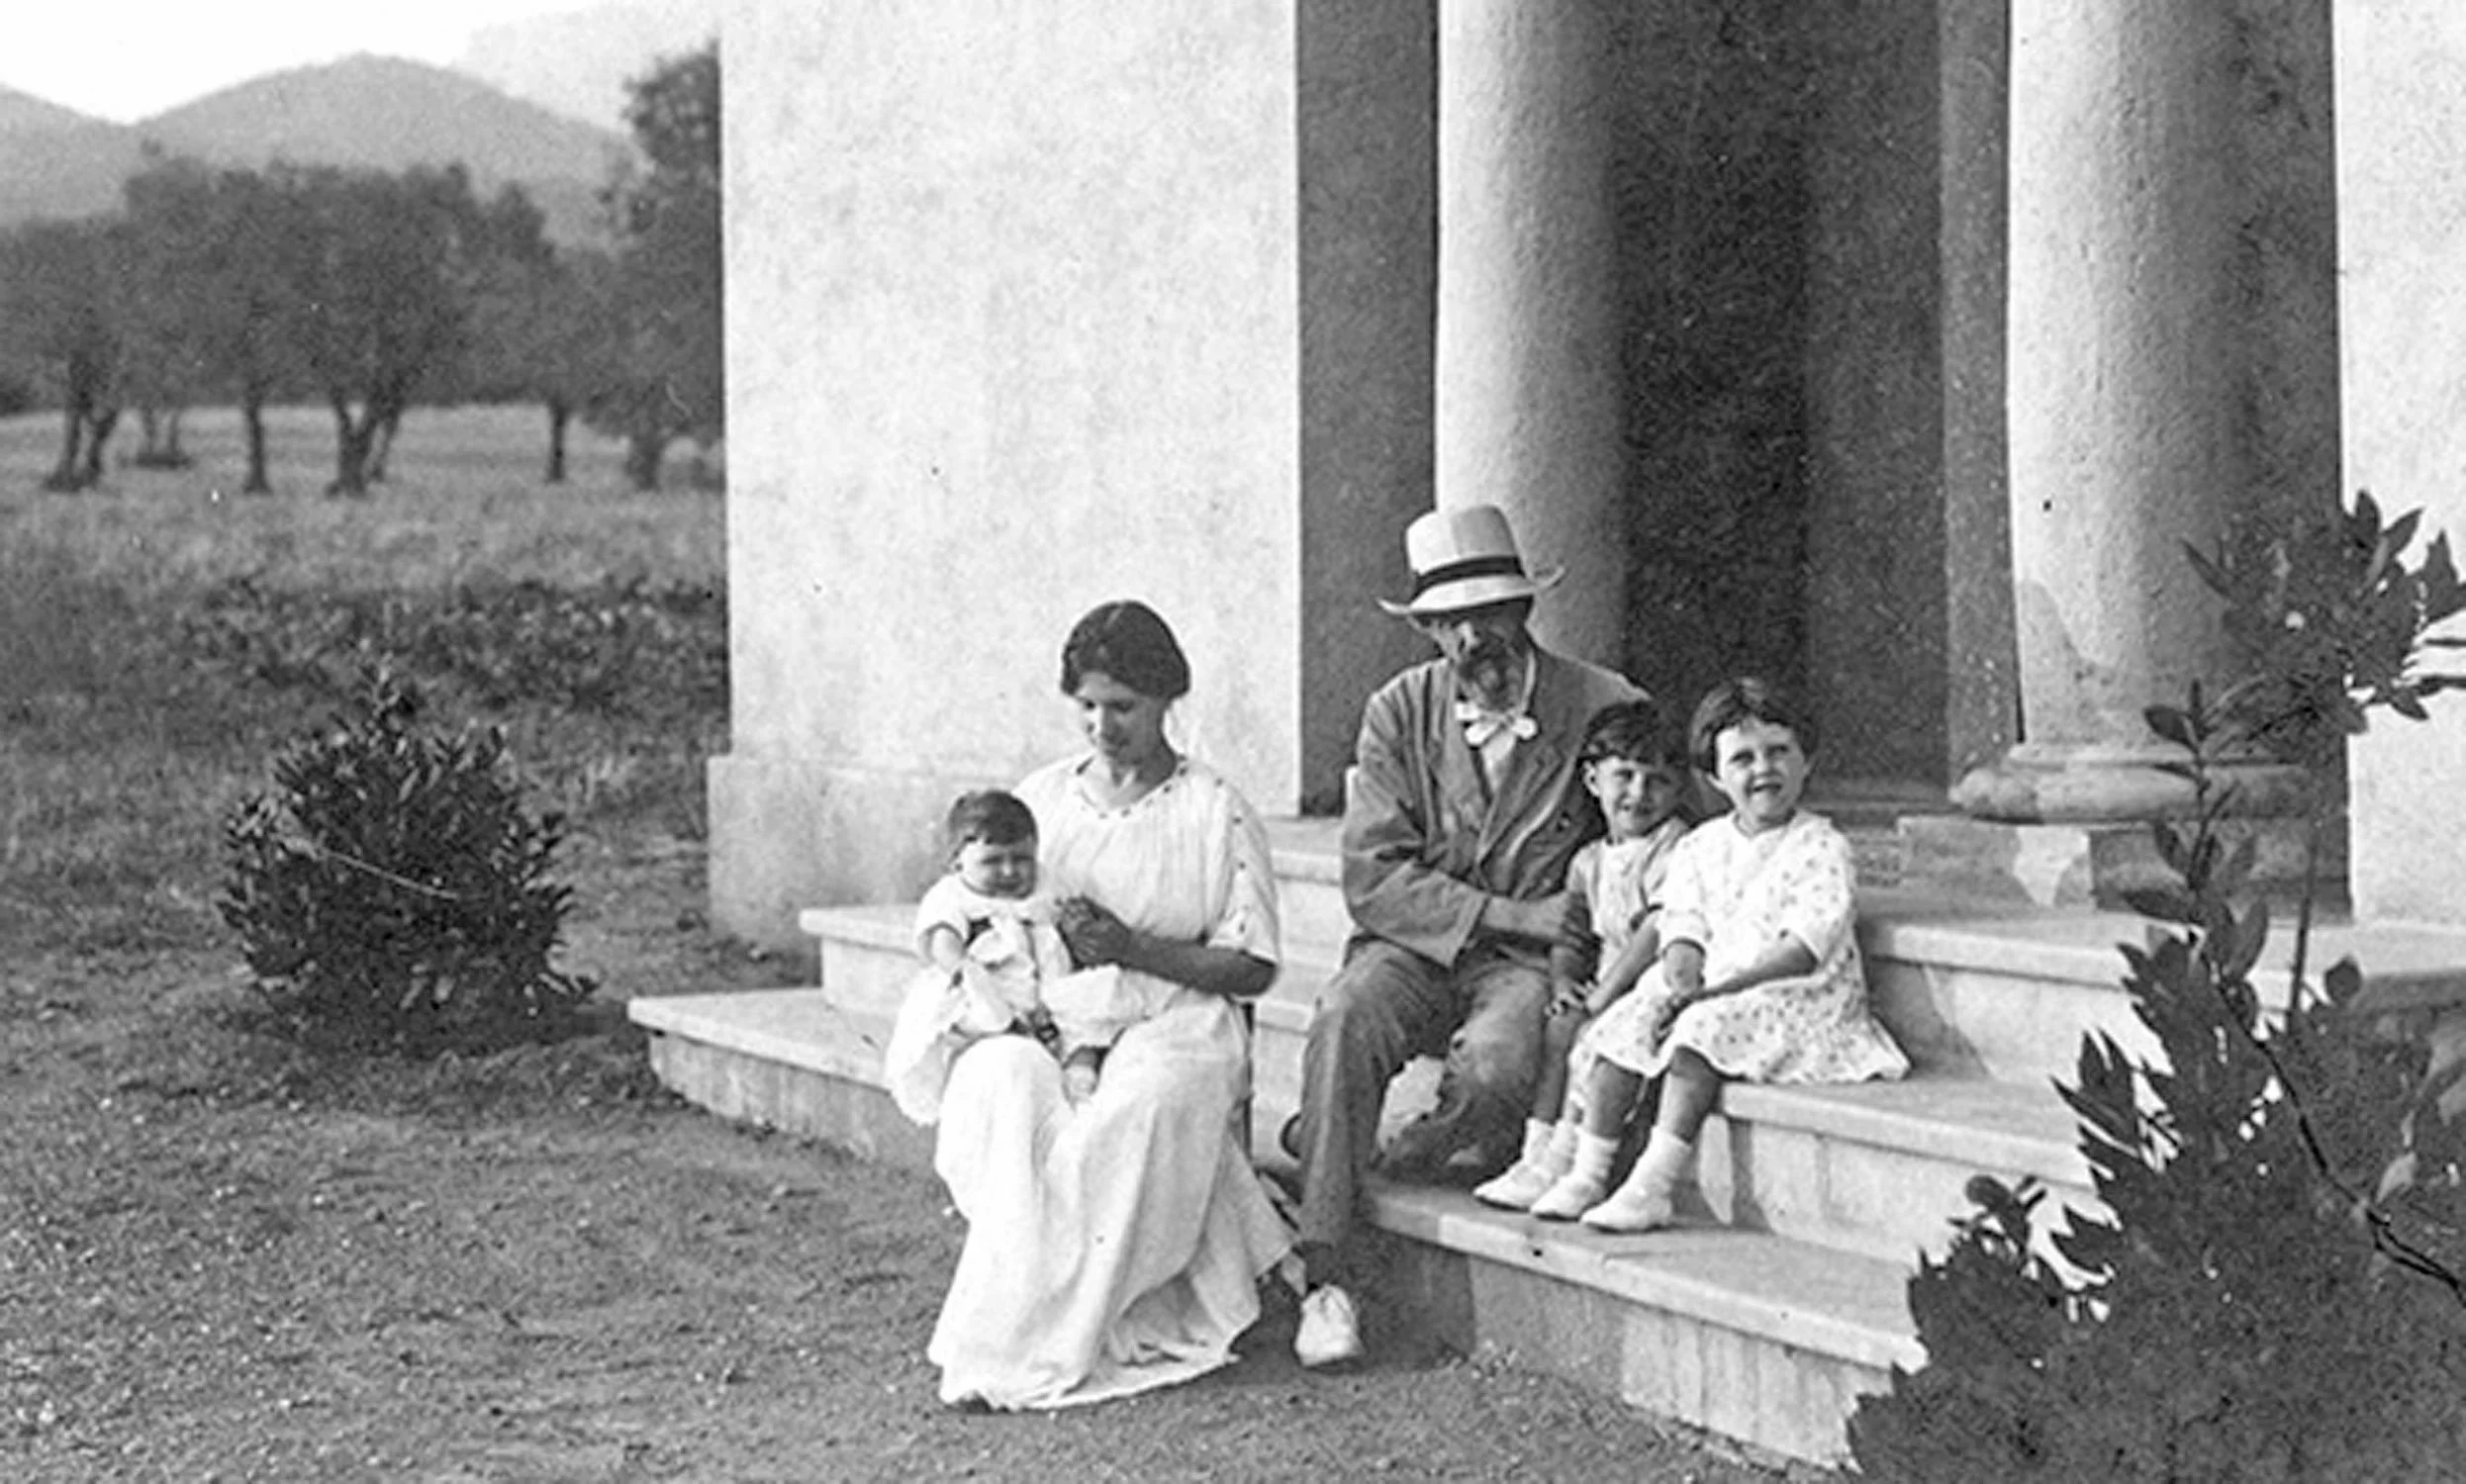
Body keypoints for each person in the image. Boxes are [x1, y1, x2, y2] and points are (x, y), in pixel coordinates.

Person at [1289, 504, 1646, 1369]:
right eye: (1447, 621)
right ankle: (1326, 1277)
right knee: (1345, 1015)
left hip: (1532, 968)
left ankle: (1390, 1142)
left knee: (1498, 1069)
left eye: (1488, 612)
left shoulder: (1605, 704)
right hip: (1412, 949)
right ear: (1427, 630)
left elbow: (1667, 832)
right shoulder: (1397, 711)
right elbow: (1373, 875)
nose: (1471, 638)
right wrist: (1510, 912)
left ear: (1524, 608)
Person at [918, 600, 1291, 1410]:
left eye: (1123, 707)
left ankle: (1039, 1340)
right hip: (1057, 1017)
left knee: (1133, 1112)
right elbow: (967, 901)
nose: (1101, 726)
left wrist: (1132, 948)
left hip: (1177, 1013)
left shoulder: (1213, 807)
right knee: (1001, 1081)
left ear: (1166, 700)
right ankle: (1023, 1318)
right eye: (1086, 706)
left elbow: (1254, 967)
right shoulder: (1042, 799)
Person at [1523, 676, 1910, 1232]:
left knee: (1699, 1030)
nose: (1763, 770)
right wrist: (1681, 976)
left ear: (1808, 761)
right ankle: (1587, 1172)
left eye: (1779, 752)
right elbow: (1682, 922)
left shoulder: (1822, 846)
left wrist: (1711, 994)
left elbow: (1803, 950)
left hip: (1793, 996)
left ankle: (1652, 1183)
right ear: (1714, 776)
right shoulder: (1700, 845)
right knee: (1624, 1021)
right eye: (1743, 759)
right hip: (1712, 986)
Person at [1471, 699, 1696, 1210]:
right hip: (1606, 984)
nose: (1639, 793)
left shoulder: (1674, 846)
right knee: (1561, 1024)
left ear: (1679, 789)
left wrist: (1605, 993)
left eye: (1658, 781)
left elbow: (1657, 929)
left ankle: (1576, 1163)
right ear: (1593, 780)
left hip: (1652, 980)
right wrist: (1565, 983)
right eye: (1625, 776)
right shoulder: (1588, 861)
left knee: (1595, 1032)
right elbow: (1572, 937)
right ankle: (1537, 1156)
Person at [882, 789, 1149, 1122]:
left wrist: (1077, 923)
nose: (1009, 871)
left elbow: (1070, 910)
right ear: (957, 862)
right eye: (992, 861)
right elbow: (943, 941)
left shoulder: (1047, 883)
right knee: (983, 1013)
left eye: (1022, 859)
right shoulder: (953, 895)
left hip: (1049, 980)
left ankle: (1080, 1072)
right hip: (994, 982)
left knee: (1089, 1008)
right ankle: (1012, 1036)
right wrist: (964, 969)